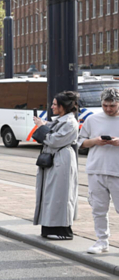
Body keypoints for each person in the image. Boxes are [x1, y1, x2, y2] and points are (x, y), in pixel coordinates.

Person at [32, 91, 80, 240]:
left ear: (63, 106)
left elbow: (53, 140)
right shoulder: (61, 120)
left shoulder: (70, 122)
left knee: (60, 194)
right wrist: (42, 124)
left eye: (54, 104)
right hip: (55, 159)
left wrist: (41, 126)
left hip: (62, 160)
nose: (52, 107)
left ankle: (62, 230)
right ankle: (49, 227)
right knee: (51, 193)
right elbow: (50, 132)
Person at [79, 87, 119, 254]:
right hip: (96, 169)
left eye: (112, 106)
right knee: (98, 208)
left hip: (117, 171)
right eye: (105, 105)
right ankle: (102, 241)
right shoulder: (92, 119)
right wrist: (95, 141)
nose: (108, 109)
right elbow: (80, 142)